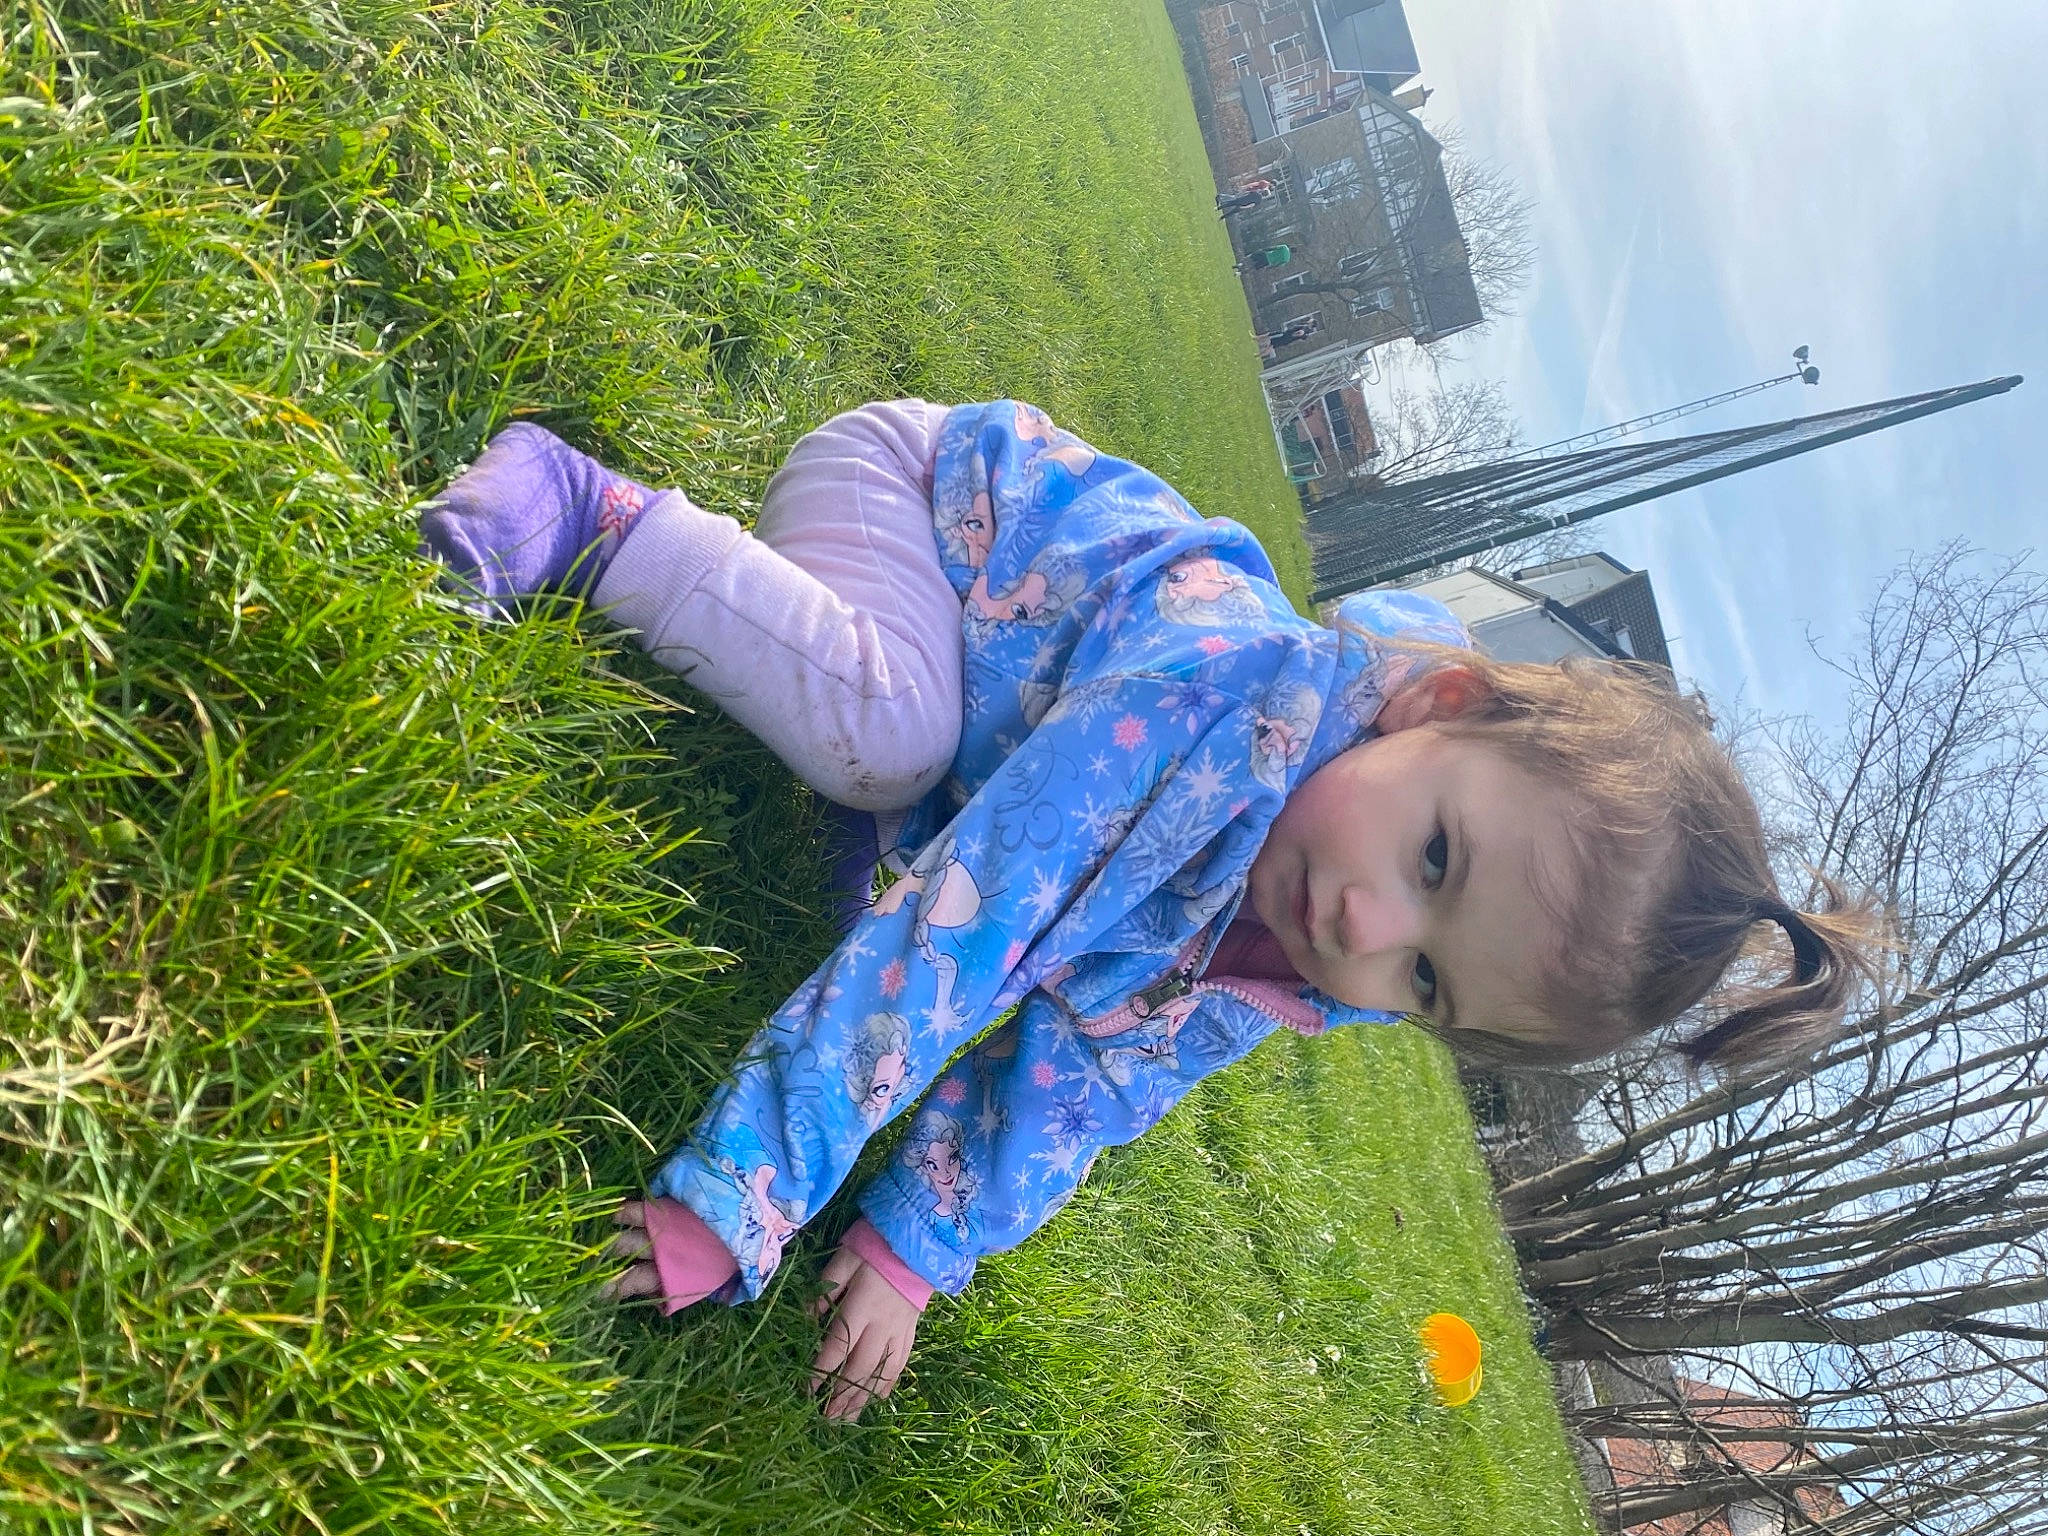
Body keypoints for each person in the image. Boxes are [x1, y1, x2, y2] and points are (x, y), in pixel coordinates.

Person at [417, 399, 1883, 1421]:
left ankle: (887, 817)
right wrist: (748, 1193)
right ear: (1436, 705)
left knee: (975, 847)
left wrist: (912, 1247)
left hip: (1015, 724)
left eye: (1429, 984)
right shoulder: (1222, 702)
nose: (1368, 929)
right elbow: (966, 939)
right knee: (893, 735)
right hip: (919, 504)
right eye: (1437, 860)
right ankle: (584, 510)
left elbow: (1088, 1078)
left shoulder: (1301, 957)